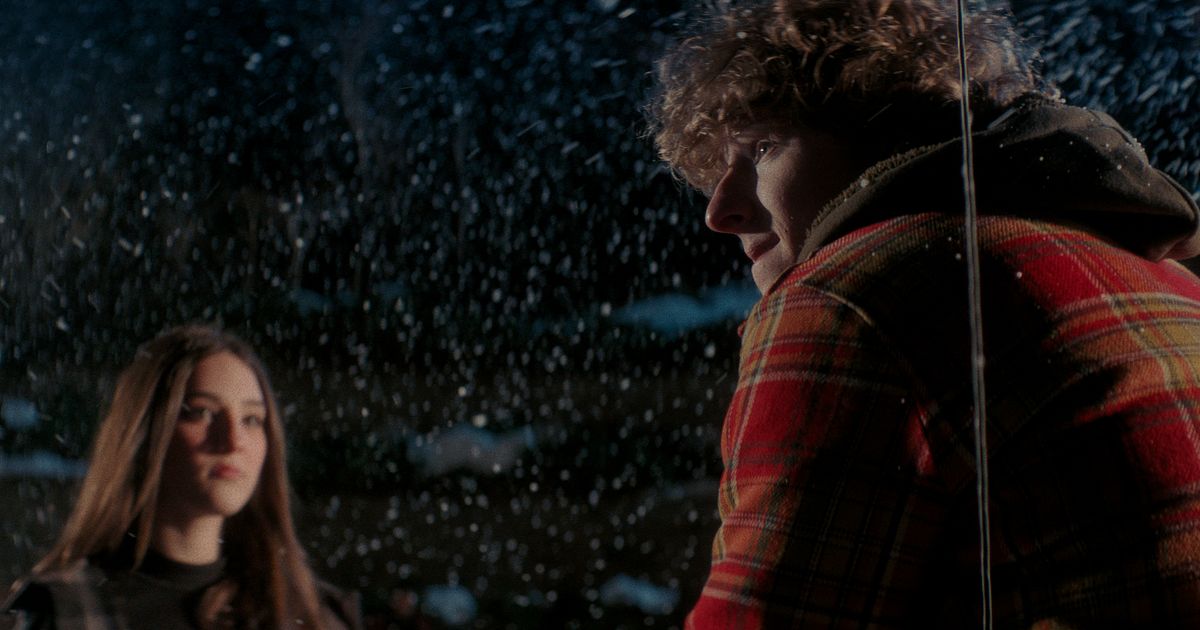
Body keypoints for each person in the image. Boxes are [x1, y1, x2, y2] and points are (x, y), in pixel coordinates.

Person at [649, 0, 1200, 627]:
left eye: (764, 148)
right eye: (716, 173)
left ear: (876, 126)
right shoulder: (1160, 275)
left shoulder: (849, 298)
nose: (719, 211)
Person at [2, 325, 361, 629]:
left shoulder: (315, 614)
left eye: (252, 419)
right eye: (202, 412)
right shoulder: (63, 609)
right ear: (145, 432)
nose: (233, 441)